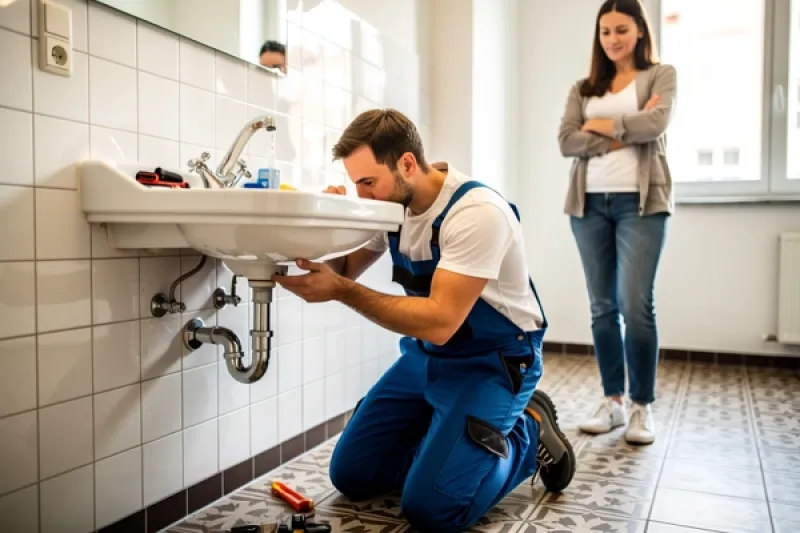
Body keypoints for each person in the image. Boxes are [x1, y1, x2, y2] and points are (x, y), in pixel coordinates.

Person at [272, 109, 576, 532]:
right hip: (428, 356)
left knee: (432, 511)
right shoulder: (392, 205)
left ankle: (526, 433)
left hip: (492, 362)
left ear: (407, 165)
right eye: (355, 183)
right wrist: (327, 222)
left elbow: (440, 321)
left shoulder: (476, 212)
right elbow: (345, 266)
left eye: (367, 183)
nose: (363, 196)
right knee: (352, 476)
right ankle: (446, 448)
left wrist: (341, 291)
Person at [557, 0, 677, 445]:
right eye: (605, 31)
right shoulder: (584, 87)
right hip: (589, 206)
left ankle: (642, 406)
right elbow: (567, 141)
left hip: (641, 204)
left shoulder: (660, 76)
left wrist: (602, 126)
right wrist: (625, 128)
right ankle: (612, 402)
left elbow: (657, 123)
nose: (613, 39)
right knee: (602, 308)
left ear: (641, 31)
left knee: (634, 305)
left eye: (621, 30)